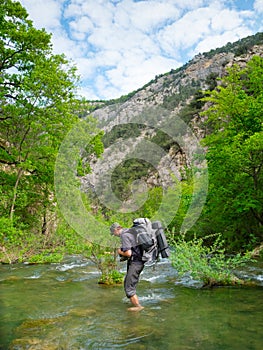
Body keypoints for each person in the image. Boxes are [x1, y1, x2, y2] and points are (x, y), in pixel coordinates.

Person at [110, 222, 145, 311]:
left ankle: (138, 307)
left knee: (129, 286)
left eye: (113, 233)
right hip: (139, 261)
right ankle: (134, 303)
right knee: (129, 283)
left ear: (116, 230)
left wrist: (120, 252)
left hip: (136, 262)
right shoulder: (130, 231)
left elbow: (128, 253)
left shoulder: (124, 235)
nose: (114, 235)